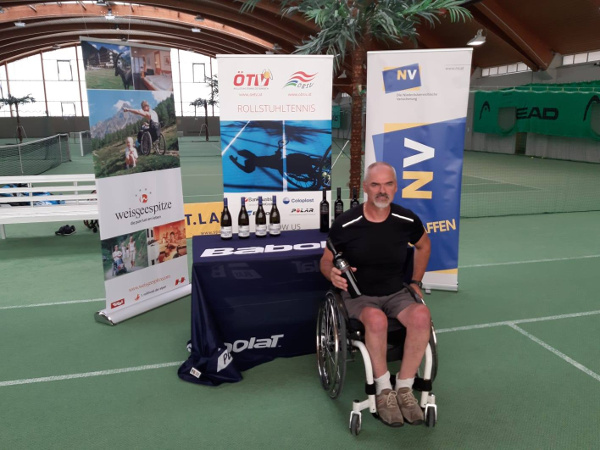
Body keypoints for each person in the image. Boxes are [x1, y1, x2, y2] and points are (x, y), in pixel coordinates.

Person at [320, 161, 432, 428]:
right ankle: (383, 390)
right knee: (376, 320)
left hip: (396, 292)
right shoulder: (346, 223)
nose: (382, 190)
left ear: (396, 186)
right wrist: (331, 273)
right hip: (359, 296)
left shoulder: (406, 219)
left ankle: (404, 387)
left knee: (421, 315)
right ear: (365, 188)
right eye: (376, 184)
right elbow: (325, 260)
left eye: (388, 184)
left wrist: (416, 281)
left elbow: (424, 246)